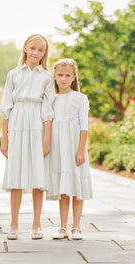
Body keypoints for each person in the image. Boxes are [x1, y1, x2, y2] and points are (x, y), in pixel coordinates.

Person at [0, 34, 54, 240]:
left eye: (41, 50)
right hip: (17, 122)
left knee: (38, 176)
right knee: (16, 176)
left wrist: (46, 139)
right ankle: (13, 224)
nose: (36, 53)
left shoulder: (47, 77)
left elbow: (48, 110)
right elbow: (6, 106)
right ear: (24, 48)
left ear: (44, 53)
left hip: (37, 123)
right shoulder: (13, 74)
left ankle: (37, 224)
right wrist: (4, 139)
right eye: (33, 48)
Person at [47, 59, 93, 240]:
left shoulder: (80, 98)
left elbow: (84, 125)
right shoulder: (52, 99)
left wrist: (81, 150)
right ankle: (62, 227)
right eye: (60, 75)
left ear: (73, 77)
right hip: (59, 149)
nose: (63, 79)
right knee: (64, 188)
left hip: (75, 147)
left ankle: (76, 227)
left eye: (67, 75)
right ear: (55, 77)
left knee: (77, 186)